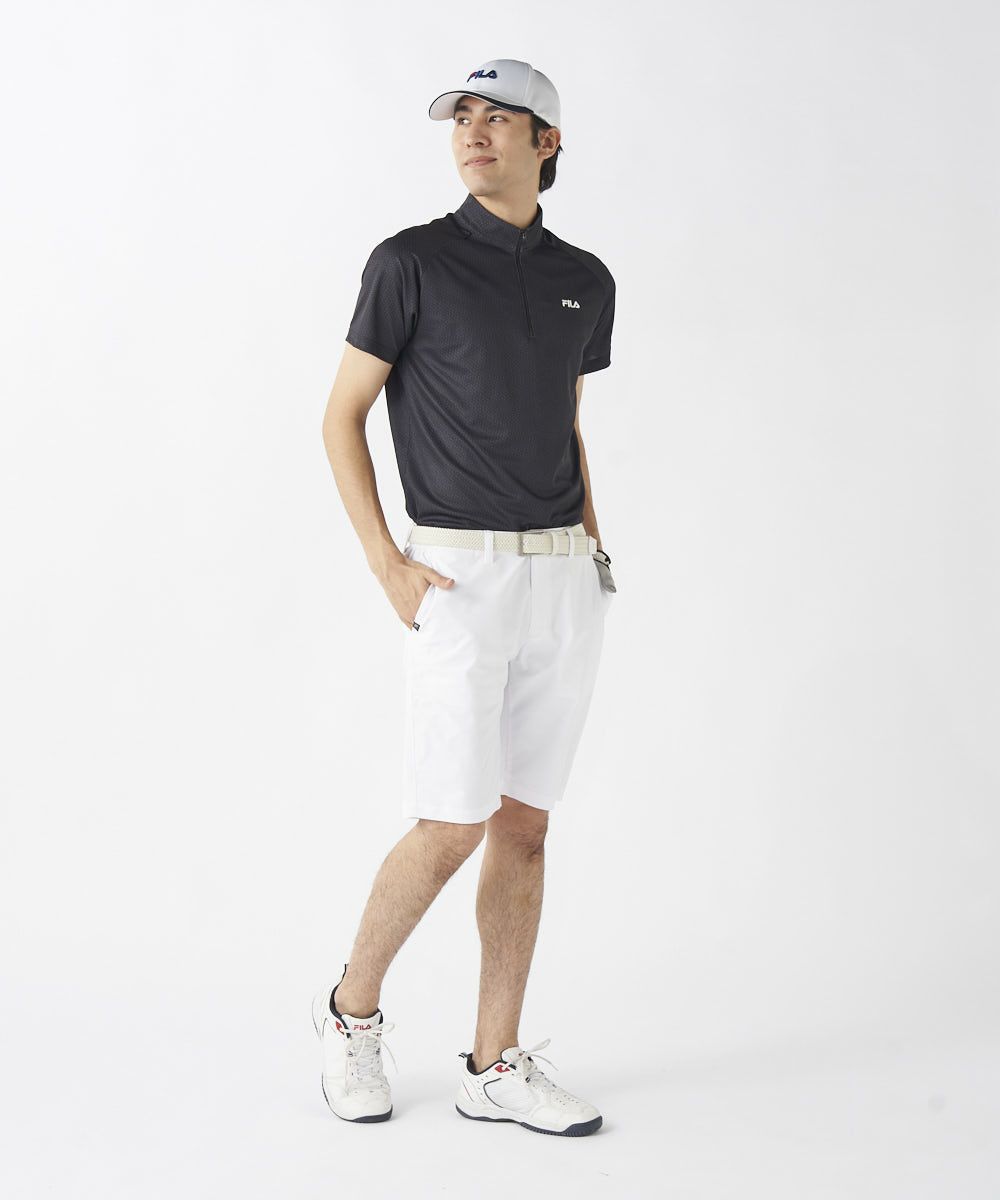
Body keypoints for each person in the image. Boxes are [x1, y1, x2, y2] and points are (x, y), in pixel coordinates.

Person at [315, 58, 617, 1137]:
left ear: (548, 143)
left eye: (500, 118)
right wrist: (385, 563)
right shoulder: (410, 262)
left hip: (562, 579)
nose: (474, 133)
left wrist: (594, 551)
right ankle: (351, 1015)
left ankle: (494, 1065)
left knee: (524, 827)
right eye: (463, 118)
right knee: (451, 822)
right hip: (457, 575)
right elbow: (341, 415)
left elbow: (562, 419)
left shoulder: (587, 278)